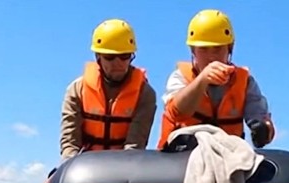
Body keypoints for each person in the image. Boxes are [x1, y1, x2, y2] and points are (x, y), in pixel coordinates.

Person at [157, 9, 275, 150]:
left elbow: (259, 116)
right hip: (180, 153)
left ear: (229, 49)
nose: (211, 57)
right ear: (193, 51)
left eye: (217, 49)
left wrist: (263, 129)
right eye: (203, 49)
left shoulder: (245, 81)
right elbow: (178, 112)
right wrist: (202, 80)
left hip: (227, 152)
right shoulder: (180, 76)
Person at [59, 19, 158, 161]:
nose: (117, 63)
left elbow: (135, 145)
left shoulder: (145, 94)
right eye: (110, 57)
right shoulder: (76, 90)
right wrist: (71, 164)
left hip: (123, 166)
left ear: (132, 57)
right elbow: (69, 143)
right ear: (98, 57)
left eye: (124, 56)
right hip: (84, 165)